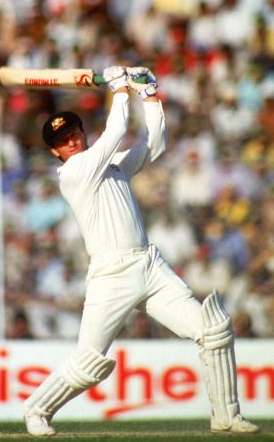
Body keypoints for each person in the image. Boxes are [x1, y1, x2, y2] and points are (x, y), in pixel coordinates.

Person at [23, 66, 260, 436]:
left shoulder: (111, 167)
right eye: (64, 140)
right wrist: (120, 89)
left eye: (75, 133)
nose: (72, 141)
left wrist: (149, 96)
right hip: (111, 275)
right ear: (55, 151)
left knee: (212, 329)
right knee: (89, 363)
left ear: (82, 133)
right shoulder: (74, 173)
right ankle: (36, 410)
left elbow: (155, 144)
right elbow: (116, 132)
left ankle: (226, 416)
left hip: (149, 264)